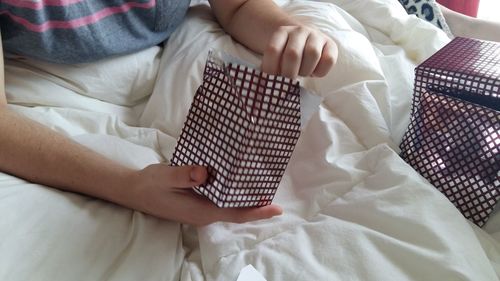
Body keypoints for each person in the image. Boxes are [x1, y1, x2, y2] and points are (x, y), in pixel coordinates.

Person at [0, 0, 339, 226]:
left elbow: (238, 7)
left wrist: (289, 31)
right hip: (42, 75)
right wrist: (129, 187)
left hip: (180, 39)